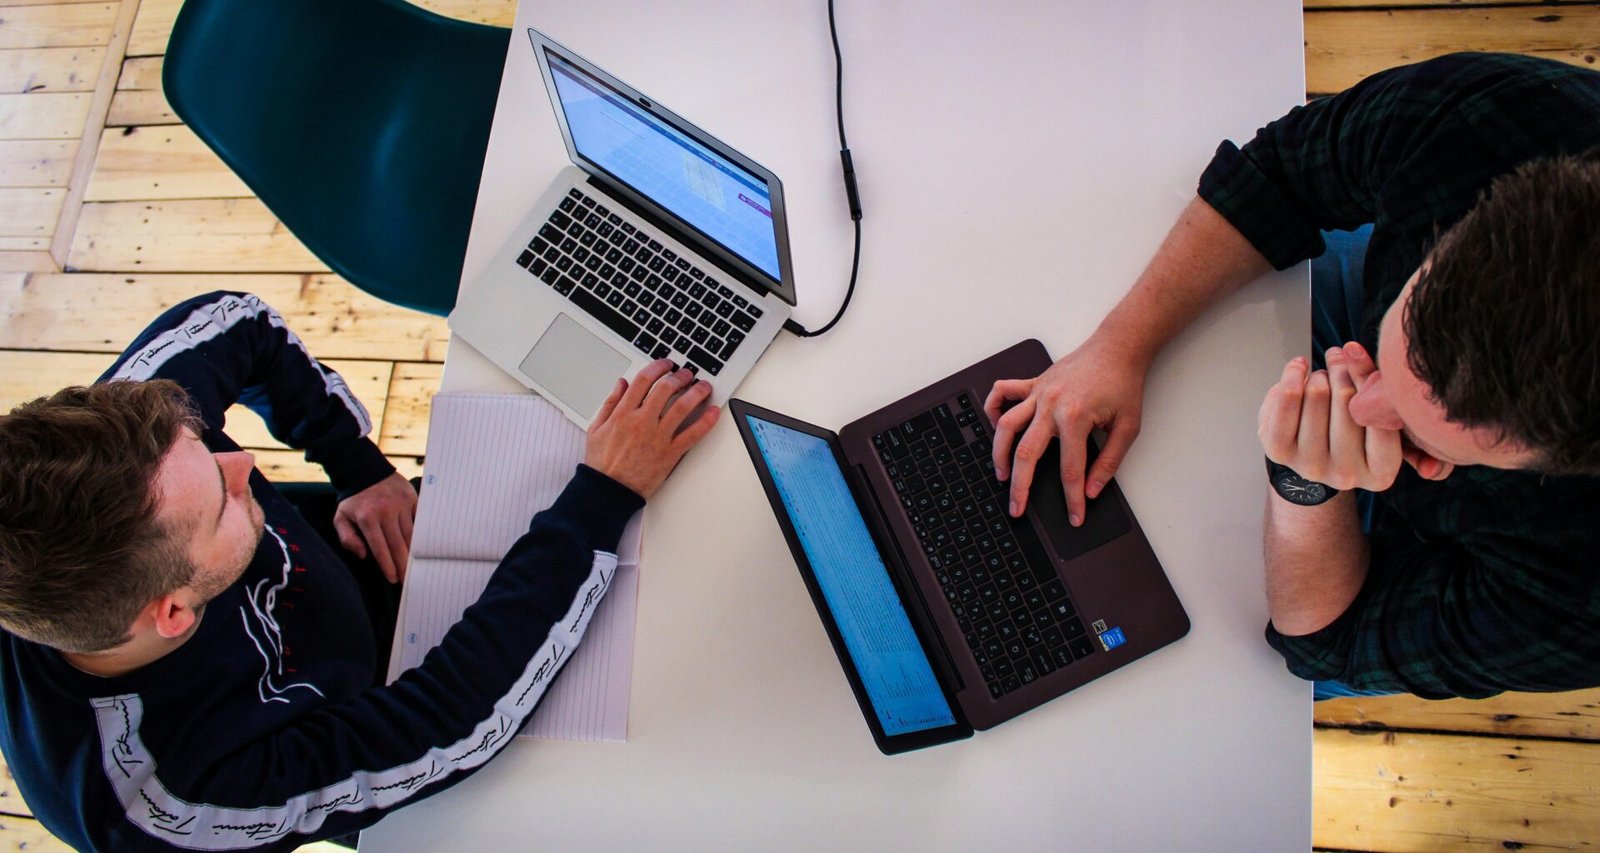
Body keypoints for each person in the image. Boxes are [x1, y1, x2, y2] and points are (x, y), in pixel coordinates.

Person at [0, 291, 718, 850]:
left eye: (203, 443)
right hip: (385, 741)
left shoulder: (123, 445)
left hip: (364, 580)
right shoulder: (183, 799)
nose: (241, 462)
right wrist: (607, 491)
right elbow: (451, 723)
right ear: (172, 612)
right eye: (221, 497)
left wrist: (356, 466)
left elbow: (235, 322)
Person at [986, 52, 1600, 700]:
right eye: (1401, 338)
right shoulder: (1500, 119)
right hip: (1360, 303)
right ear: (1452, 236)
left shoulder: (1580, 602)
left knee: (1239, 681)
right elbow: (1276, 176)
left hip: (1432, 567)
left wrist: (1306, 485)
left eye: (1425, 440)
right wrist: (1118, 347)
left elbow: (1331, 645)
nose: (1357, 405)